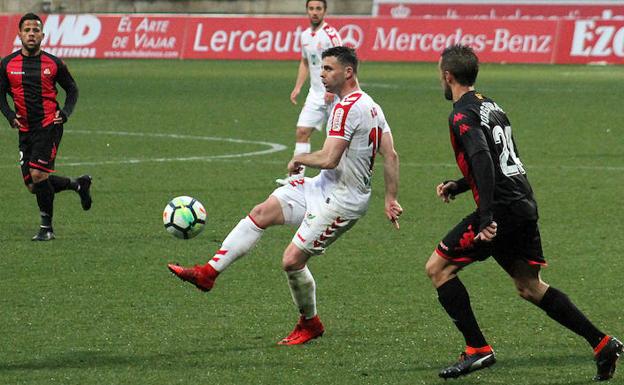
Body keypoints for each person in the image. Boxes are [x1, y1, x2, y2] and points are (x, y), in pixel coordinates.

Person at [169, 46, 402, 345]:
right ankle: (208, 273)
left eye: (328, 69)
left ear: (348, 72)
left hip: (343, 202)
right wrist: (390, 198)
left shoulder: (347, 108)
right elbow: (391, 154)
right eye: (321, 68)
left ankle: (310, 323)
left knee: (292, 261)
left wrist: (300, 159)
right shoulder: (372, 105)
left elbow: (330, 158)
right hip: (323, 186)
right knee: (262, 212)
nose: (321, 73)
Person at [426, 44, 622, 381]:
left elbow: (484, 160)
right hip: (522, 205)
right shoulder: (492, 107)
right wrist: (460, 186)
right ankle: (602, 343)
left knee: (438, 269)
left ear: (448, 76)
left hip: (501, 210)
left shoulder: (461, 114)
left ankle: (477, 350)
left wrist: (486, 217)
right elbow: (503, 160)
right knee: (530, 286)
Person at [0, 13, 92, 241]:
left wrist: (65, 113)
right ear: (19, 34)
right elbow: (0, 95)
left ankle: (46, 229)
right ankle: (77, 184)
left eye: (36, 30)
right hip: (25, 129)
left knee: (39, 175)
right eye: (27, 30)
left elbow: (72, 89)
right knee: (33, 185)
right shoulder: (7, 64)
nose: (31, 34)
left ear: (43, 35)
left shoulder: (53, 63)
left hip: (48, 125)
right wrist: (10, 115)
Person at [276, 0, 342, 185]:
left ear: (325, 11)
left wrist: (333, 88)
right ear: (307, 11)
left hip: (334, 95)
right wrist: (298, 87)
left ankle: (342, 178)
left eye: (318, 9)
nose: (314, 12)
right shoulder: (305, 35)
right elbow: (305, 62)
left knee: (337, 139)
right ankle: (296, 177)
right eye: (311, 9)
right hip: (315, 93)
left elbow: (341, 61)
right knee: (302, 131)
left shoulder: (331, 34)